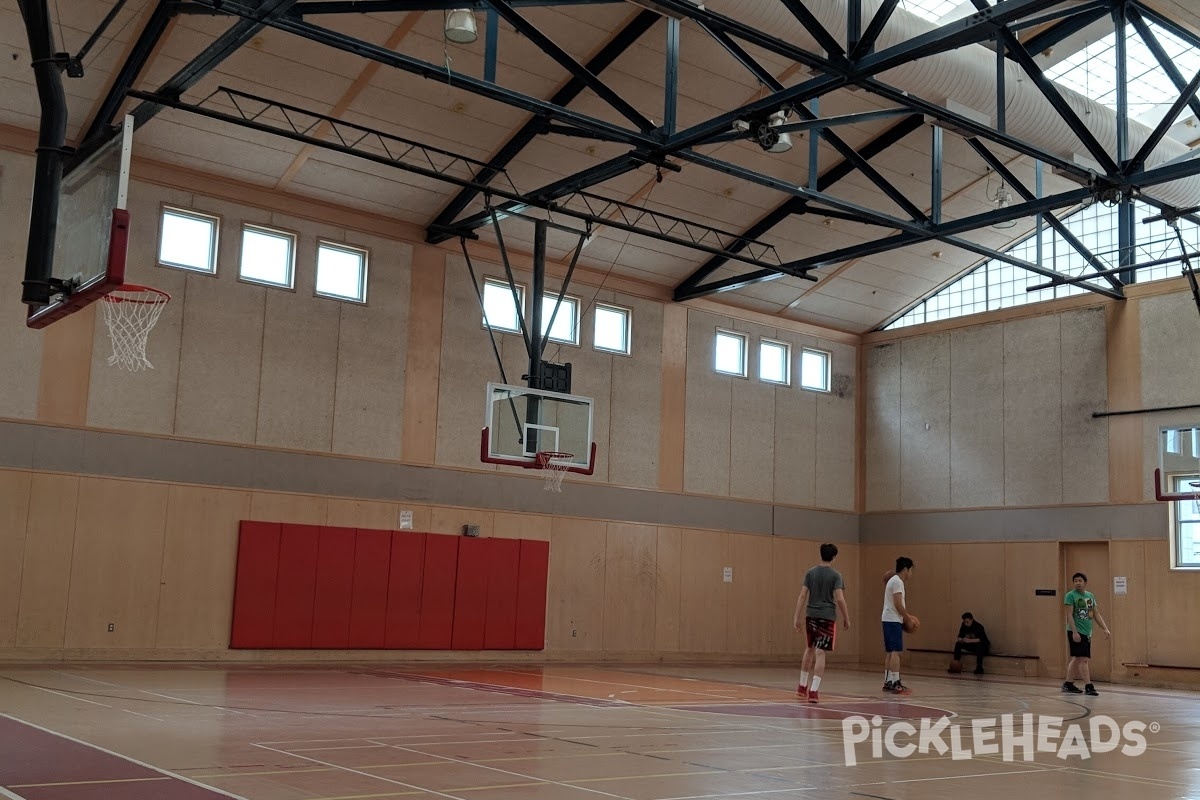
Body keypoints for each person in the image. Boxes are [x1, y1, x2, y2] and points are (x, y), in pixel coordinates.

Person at [793, 543, 851, 704]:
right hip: (827, 617)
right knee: (820, 653)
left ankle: (802, 687)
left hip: (811, 615)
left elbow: (802, 595)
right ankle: (814, 691)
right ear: (834, 557)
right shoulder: (836, 575)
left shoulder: (810, 573)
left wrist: (796, 616)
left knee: (809, 648)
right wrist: (846, 617)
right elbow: (839, 598)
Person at [1063, 571, 1110, 696]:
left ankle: (1068, 684)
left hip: (1087, 632)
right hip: (1076, 631)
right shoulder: (1070, 596)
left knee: (1077, 658)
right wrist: (1074, 632)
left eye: (1080, 580)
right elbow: (1069, 615)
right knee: (1083, 659)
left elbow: (1095, 614)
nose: (1078, 583)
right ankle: (1089, 686)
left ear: (1085, 583)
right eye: (1076, 581)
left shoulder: (1090, 596)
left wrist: (1105, 628)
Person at [881, 557, 915, 694]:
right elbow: (898, 603)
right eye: (911, 570)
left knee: (890, 652)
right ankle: (895, 682)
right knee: (896, 652)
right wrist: (908, 619)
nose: (911, 574)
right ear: (906, 569)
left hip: (888, 618)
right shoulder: (897, 582)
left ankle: (888, 680)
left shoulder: (893, 580)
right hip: (893, 619)